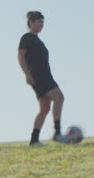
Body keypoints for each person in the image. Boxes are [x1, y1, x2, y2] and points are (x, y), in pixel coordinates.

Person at [17, 11, 65, 145]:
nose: (41, 25)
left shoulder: (39, 41)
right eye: (39, 22)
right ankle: (57, 133)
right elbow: (20, 56)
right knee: (59, 97)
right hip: (39, 76)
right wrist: (27, 74)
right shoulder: (27, 37)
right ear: (31, 22)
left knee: (44, 109)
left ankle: (34, 140)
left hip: (45, 75)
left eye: (43, 23)